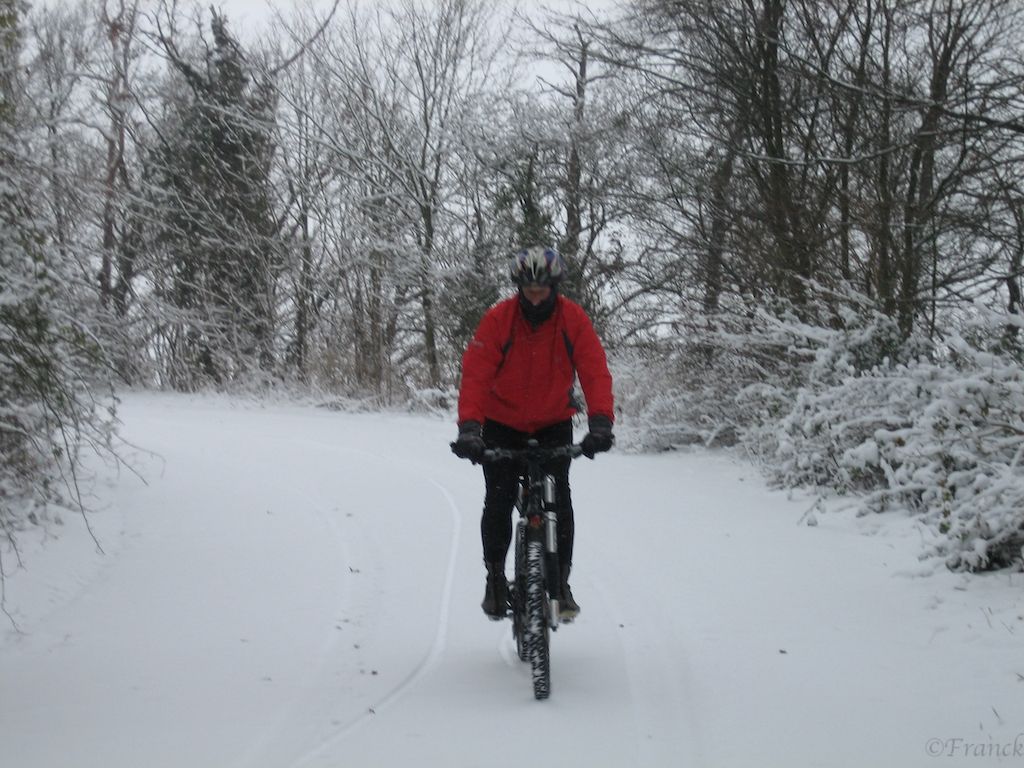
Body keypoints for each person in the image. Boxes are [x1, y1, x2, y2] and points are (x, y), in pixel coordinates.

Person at [451, 245, 615, 621]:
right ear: (519, 287)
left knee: (559, 502)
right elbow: (476, 374)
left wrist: (601, 422)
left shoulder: (572, 320)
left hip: (553, 421)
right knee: (498, 497)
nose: (536, 296)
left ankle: (560, 583)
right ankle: (495, 577)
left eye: (543, 289)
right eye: (530, 289)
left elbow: (594, 369)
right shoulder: (498, 320)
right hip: (501, 423)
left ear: (555, 287)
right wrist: (470, 430)